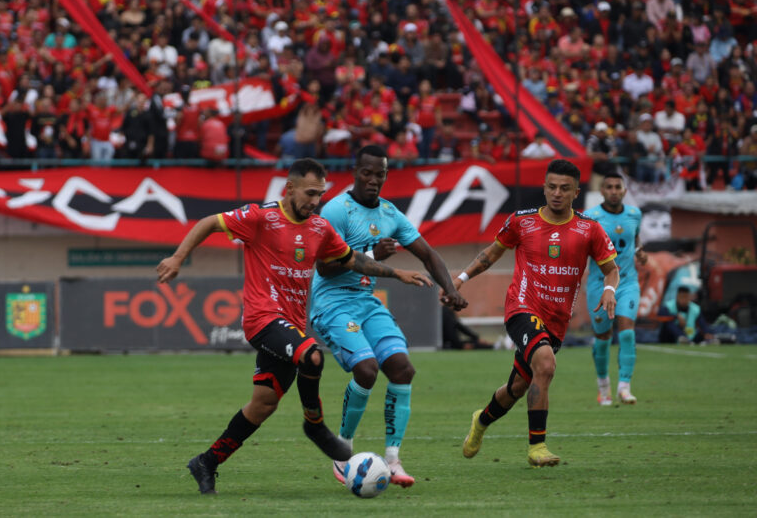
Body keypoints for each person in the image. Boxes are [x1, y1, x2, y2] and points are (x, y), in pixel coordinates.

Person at [156, 158, 432, 495]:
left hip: (291, 325)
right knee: (312, 357)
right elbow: (207, 223)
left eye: (321, 194)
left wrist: (397, 273)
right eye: (310, 193)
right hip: (262, 319)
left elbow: (350, 259)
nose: (316, 201)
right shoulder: (261, 218)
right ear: (290, 189)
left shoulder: (319, 228)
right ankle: (316, 426)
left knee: (263, 405)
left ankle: (206, 462)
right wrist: (177, 258)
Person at [309, 145, 467, 487]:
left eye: (379, 174)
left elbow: (428, 254)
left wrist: (450, 289)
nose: (373, 180)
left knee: (402, 368)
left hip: (365, 302)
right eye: (367, 173)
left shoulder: (390, 214)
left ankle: (393, 460)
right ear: (355, 172)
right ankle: (342, 454)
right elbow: (324, 266)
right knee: (366, 369)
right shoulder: (336, 210)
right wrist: (370, 253)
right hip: (332, 303)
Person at [454, 159, 619, 467]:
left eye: (564, 188)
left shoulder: (590, 229)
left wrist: (610, 290)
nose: (556, 193)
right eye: (552, 187)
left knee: (517, 387)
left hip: (557, 320)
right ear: (544, 187)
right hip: (522, 307)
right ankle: (537, 447)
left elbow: (611, 270)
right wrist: (461, 280)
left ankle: (482, 420)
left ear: (576, 192)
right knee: (545, 363)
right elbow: (491, 254)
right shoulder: (521, 221)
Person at [584, 172, 647, 406]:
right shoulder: (591, 217)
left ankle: (624, 387)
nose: (613, 190)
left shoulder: (634, 214)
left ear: (624, 190)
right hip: (599, 285)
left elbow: (636, 239)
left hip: (627, 281)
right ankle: (604, 387)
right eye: (608, 187)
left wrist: (640, 251)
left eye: (617, 186)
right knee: (602, 337)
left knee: (627, 332)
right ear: (601, 191)